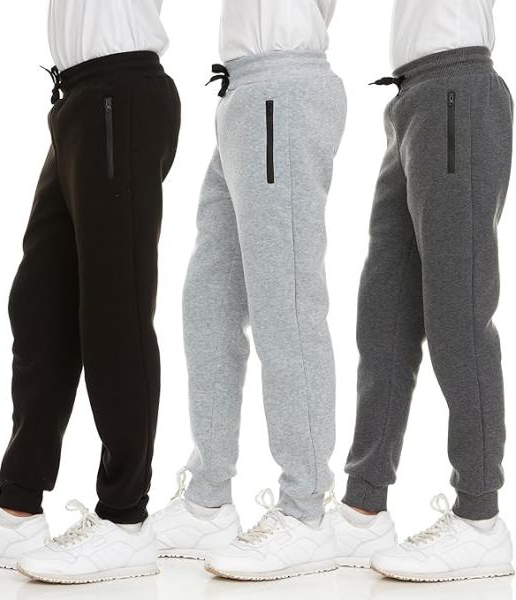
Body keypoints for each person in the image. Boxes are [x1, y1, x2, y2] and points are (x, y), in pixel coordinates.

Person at [0, 0, 180, 585]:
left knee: (114, 312)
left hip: (120, 94)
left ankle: (125, 521)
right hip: (77, 101)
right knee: (40, 308)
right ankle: (18, 509)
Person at [152, 0, 348, 581]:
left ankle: (306, 511)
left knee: (286, 306)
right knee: (208, 302)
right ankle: (208, 499)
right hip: (243, 95)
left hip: (280, 90)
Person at [332, 0, 515, 583]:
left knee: (457, 315)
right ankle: (363, 508)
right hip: (411, 101)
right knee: (383, 315)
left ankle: (480, 520)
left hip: (458, 90)